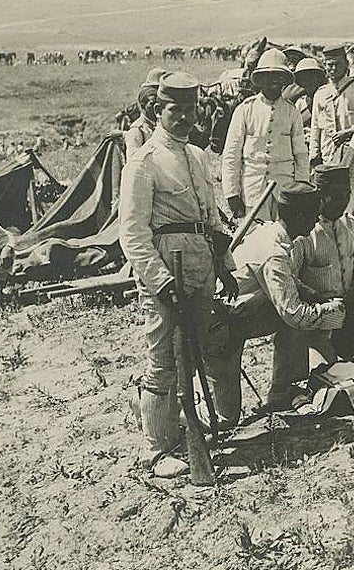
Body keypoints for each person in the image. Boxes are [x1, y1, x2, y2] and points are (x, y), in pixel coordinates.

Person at [118, 72, 238, 478]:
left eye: (191, 109)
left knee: (196, 351)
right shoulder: (144, 162)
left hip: (201, 266)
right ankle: (157, 448)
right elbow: (132, 234)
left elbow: (211, 219)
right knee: (164, 358)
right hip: (167, 270)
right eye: (176, 110)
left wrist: (224, 265)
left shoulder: (198, 156)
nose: (186, 117)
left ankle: (186, 426)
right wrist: (161, 282)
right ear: (157, 110)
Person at [209, 182, 347, 421]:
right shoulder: (274, 252)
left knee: (295, 316)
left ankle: (283, 392)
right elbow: (293, 313)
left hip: (241, 317)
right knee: (226, 419)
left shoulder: (270, 232)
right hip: (219, 329)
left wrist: (314, 295)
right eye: (313, 215)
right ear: (300, 217)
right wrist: (333, 312)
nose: (317, 221)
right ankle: (171, 412)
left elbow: (288, 281)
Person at [294, 164, 354, 359]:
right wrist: (321, 301)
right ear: (320, 195)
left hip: (351, 312)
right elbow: (291, 279)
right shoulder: (305, 232)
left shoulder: (350, 223)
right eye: (336, 197)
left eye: (347, 195)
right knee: (327, 368)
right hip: (318, 320)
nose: (343, 202)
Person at [222, 48, 309, 221]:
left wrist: (301, 189)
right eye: (269, 76)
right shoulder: (245, 110)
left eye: (280, 76)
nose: (275, 81)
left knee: (284, 235)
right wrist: (232, 194)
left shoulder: (292, 112)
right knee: (254, 234)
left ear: (285, 81)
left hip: (285, 192)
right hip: (253, 191)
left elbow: (301, 154)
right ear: (260, 79)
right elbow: (232, 154)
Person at [310, 44, 354, 167]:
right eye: (330, 65)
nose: (333, 68)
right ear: (325, 66)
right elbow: (315, 128)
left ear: (346, 64)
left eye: (337, 64)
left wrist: (349, 132)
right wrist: (314, 154)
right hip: (329, 156)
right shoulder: (321, 93)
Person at [124, 68, 167, 155]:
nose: (156, 108)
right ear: (143, 104)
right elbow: (134, 160)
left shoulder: (165, 125)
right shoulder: (138, 131)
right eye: (152, 104)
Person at [290, 57, 326, 136]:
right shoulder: (300, 103)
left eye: (311, 77)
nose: (307, 82)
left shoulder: (326, 100)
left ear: (318, 79)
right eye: (303, 78)